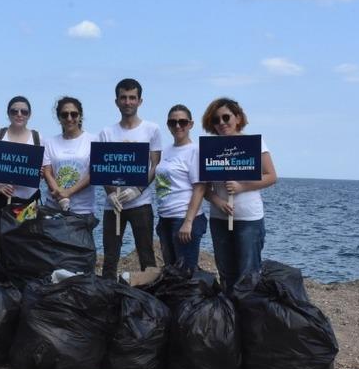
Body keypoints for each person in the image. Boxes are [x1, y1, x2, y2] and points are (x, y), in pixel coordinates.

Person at [201, 97, 277, 293]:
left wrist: (242, 187)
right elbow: (204, 188)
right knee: (226, 273)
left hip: (249, 220)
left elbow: (271, 176)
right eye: (216, 120)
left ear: (238, 117)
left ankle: (248, 311)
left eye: (226, 117)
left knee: (249, 274)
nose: (221, 123)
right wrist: (217, 201)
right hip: (219, 219)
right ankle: (229, 309)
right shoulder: (210, 148)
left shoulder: (254, 143)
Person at [99, 78, 163, 279]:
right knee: (110, 257)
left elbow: (156, 164)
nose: (128, 102)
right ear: (116, 101)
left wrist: (138, 189)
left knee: (146, 255)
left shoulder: (152, 129)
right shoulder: (106, 133)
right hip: (113, 205)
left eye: (132, 97)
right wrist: (111, 194)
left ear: (140, 101)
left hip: (141, 204)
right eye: (123, 97)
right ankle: (107, 292)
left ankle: (150, 294)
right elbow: (101, 168)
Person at [0, 96, 42, 258]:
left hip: (27, 203)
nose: (19, 114)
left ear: (29, 115)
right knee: (1, 242)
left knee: (25, 244)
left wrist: (39, 173)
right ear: (8, 114)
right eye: (14, 111)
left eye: (24, 111)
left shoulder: (37, 138)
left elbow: (43, 168)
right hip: (0, 202)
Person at [155, 104, 207, 269]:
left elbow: (200, 188)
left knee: (186, 273)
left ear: (190, 124)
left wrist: (188, 222)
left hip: (184, 219)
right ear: (168, 125)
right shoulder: (166, 151)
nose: (178, 126)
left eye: (182, 122)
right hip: (165, 218)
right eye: (173, 122)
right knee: (171, 271)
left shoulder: (195, 151)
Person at [42, 96, 97, 216]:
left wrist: (69, 192)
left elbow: (94, 172)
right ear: (59, 118)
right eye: (64, 115)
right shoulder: (49, 142)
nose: (69, 118)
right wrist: (59, 194)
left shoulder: (94, 140)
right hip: (53, 208)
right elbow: (47, 172)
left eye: (74, 114)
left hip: (83, 210)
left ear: (80, 116)